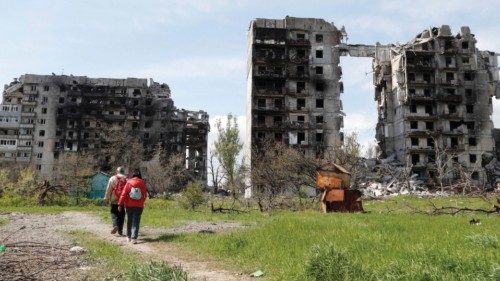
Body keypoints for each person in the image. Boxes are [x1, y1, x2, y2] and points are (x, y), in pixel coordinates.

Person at [118, 170, 147, 244]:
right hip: (139, 206)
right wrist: (141, 202)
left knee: (129, 221)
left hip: (128, 205)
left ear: (132, 176)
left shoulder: (128, 182)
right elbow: (144, 195)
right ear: (140, 176)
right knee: (136, 221)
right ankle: (134, 238)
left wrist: (120, 204)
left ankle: (128, 236)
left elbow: (123, 194)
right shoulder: (142, 183)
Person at [104, 167, 127, 236]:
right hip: (123, 200)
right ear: (123, 171)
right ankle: (120, 231)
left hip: (114, 199)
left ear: (117, 171)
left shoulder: (112, 178)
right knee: (121, 215)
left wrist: (106, 199)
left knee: (114, 213)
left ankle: (115, 225)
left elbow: (108, 190)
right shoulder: (126, 178)